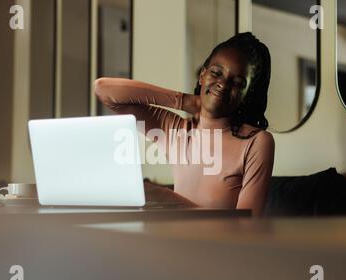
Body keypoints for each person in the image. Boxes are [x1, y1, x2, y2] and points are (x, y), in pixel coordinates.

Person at [94, 32, 275, 216]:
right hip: (175, 240)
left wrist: (167, 199)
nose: (223, 84)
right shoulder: (175, 130)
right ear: (202, 75)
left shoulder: (256, 142)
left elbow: (246, 227)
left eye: (237, 83)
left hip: (218, 245)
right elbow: (104, 90)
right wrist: (185, 101)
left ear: (247, 94)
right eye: (216, 73)